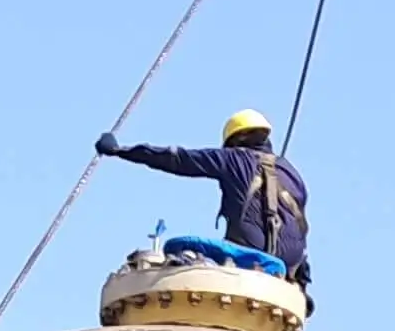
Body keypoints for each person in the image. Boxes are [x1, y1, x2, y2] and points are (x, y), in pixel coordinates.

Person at [101, 109, 310, 287]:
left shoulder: (232, 158)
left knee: (185, 257)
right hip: (289, 266)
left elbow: (177, 159)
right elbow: (300, 226)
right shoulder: (293, 173)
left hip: (251, 253)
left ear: (234, 140)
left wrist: (121, 151)